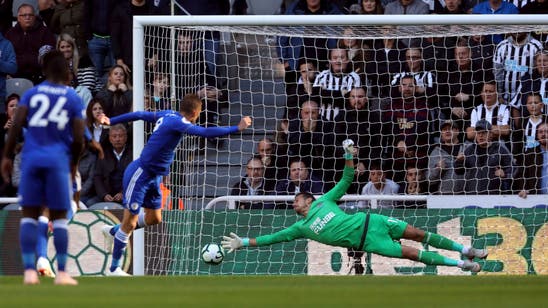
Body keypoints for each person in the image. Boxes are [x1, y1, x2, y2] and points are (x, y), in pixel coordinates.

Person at [222, 139, 488, 273]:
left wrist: (348, 155)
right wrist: (243, 242)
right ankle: (460, 264)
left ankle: (467, 249)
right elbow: (272, 238)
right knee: (412, 254)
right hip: (369, 242)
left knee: (418, 234)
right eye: (294, 200)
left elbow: (347, 178)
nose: (294, 202)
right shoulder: (300, 228)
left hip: (372, 221)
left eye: (298, 199)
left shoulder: (325, 199)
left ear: (309, 200)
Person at [100, 93, 251, 276]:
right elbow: (205, 132)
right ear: (196, 112)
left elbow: (139, 114)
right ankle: (114, 269)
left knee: (154, 218)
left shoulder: (167, 114)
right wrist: (237, 127)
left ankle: (114, 231)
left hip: (154, 177)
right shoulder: (179, 123)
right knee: (130, 222)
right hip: (140, 174)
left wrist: (111, 119)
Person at [1, 50, 84, 285]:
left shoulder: (32, 94)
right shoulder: (72, 97)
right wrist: (73, 164)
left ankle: (29, 271)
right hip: (57, 161)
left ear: (45, 70)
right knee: (58, 218)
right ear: (65, 71)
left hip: (32, 159)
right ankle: (62, 273)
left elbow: (17, 124)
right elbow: (78, 137)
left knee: (29, 215)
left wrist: (7, 155)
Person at [456, 119, 514, 194]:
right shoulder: (469, 150)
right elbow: (459, 171)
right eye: (478, 133)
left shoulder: (500, 149)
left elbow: (513, 168)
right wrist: (459, 162)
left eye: (484, 132)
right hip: (473, 194)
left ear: (490, 134)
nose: (480, 135)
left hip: (494, 195)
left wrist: (505, 173)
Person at [5, 3, 56, 84]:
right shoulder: (10, 34)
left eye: (30, 15)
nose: (27, 17)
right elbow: (5, 57)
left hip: (40, 77)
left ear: (35, 17)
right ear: (18, 18)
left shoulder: (45, 32)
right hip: (15, 77)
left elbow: (51, 56)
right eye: (24, 15)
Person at [92, 124, 132, 205]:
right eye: (114, 136)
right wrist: (104, 195)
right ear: (110, 139)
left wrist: (123, 193)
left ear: (126, 137)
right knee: (91, 203)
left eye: (120, 136)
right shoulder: (103, 154)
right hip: (107, 195)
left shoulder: (133, 153)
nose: (117, 139)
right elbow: (97, 176)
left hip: (128, 195)